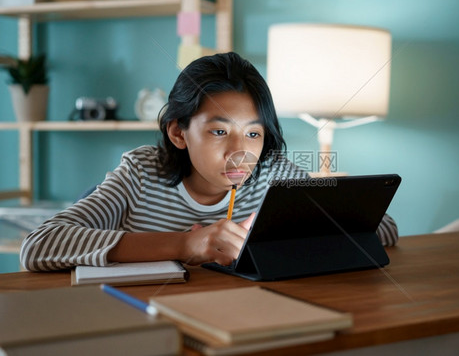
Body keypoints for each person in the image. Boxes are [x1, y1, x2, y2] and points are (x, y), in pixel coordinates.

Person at [20, 52, 399, 272]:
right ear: (178, 133)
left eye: (253, 133)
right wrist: (187, 245)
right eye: (219, 132)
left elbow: (383, 229)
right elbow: (38, 246)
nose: (240, 151)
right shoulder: (140, 172)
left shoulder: (273, 173)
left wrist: (279, 234)